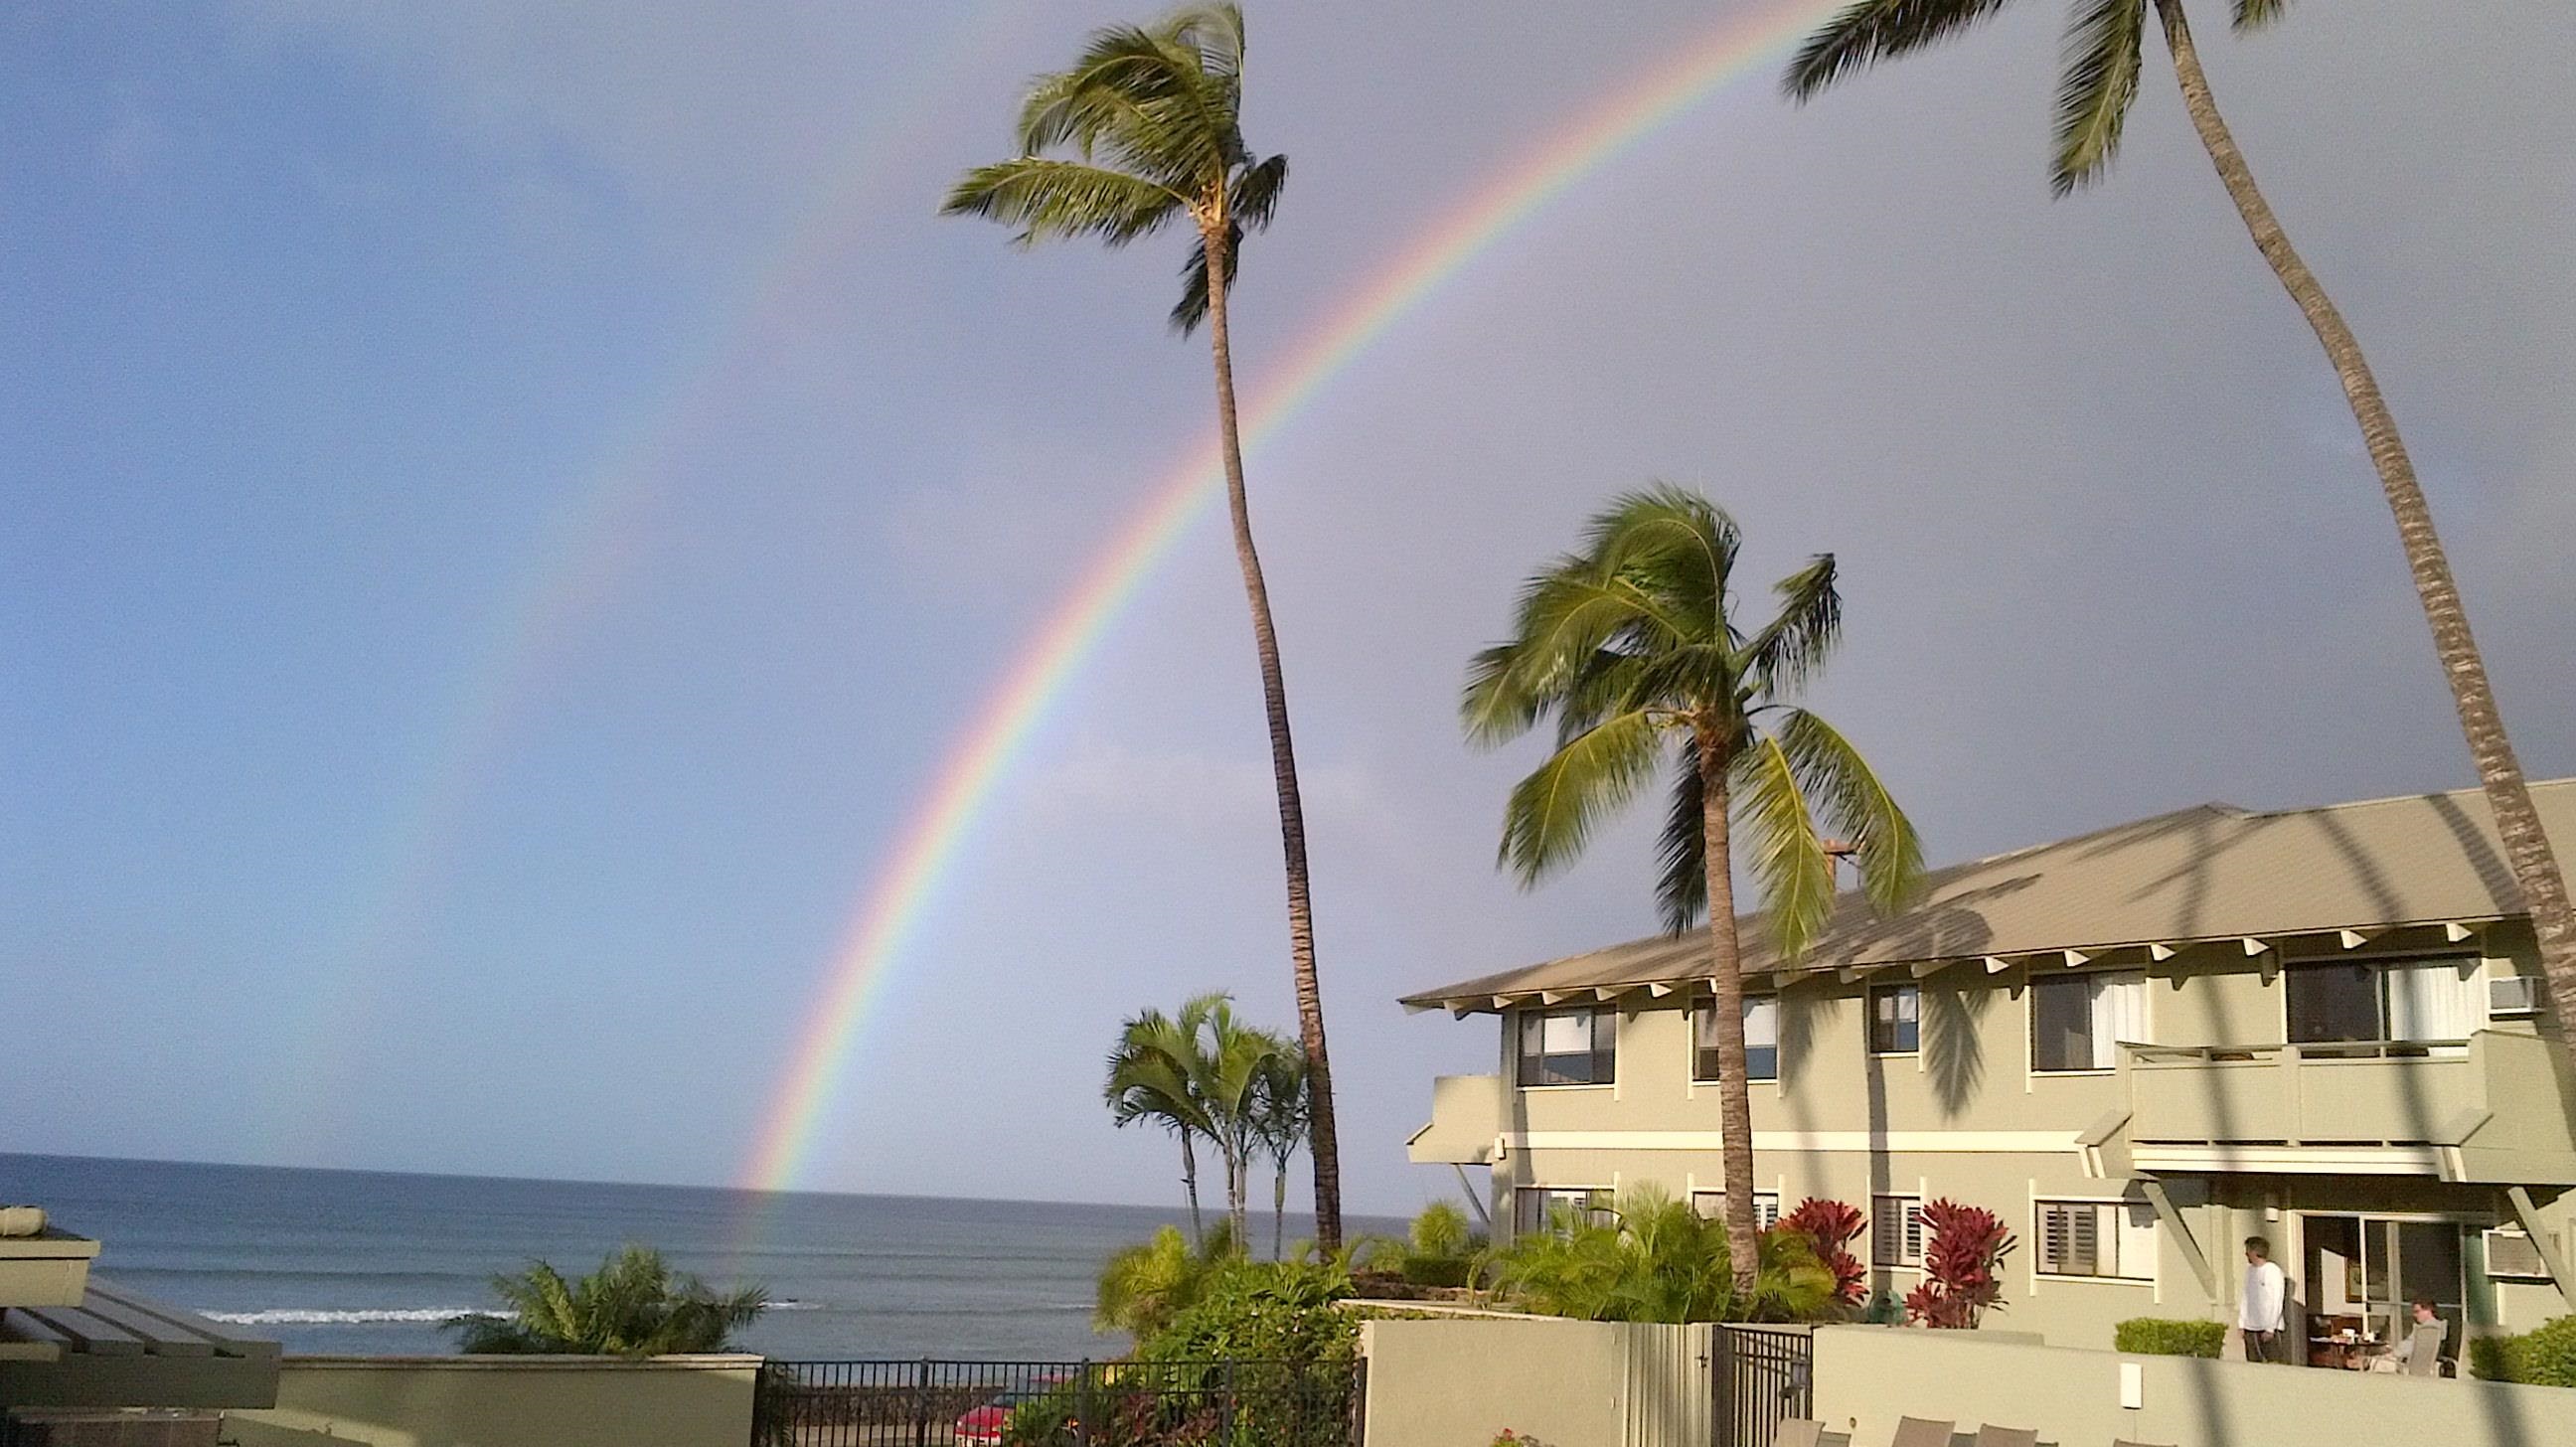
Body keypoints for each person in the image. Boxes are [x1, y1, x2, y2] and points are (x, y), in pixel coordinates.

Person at [2240, 1236, 2288, 1363]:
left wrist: (2270, 1328)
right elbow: (2246, 1297)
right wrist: (2242, 1323)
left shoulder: (2273, 1271)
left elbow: (2276, 1300)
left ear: (2255, 1252)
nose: (2246, 1254)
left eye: (2248, 1251)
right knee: (2253, 1363)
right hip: (2251, 1327)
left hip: (2268, 1327)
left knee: (2273, 1363)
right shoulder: (2250, 1271)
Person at [2385, 1296, 2448, 1374]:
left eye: (2417, 1311)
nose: (2414, 1315)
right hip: (2429, 1368)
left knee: (2376, 1363)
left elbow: (2406, 1348)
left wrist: (2391, 1353)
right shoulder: (2440, 1329)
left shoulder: (2422, 1331)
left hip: (2410, 1368)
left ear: (2428, 1310)